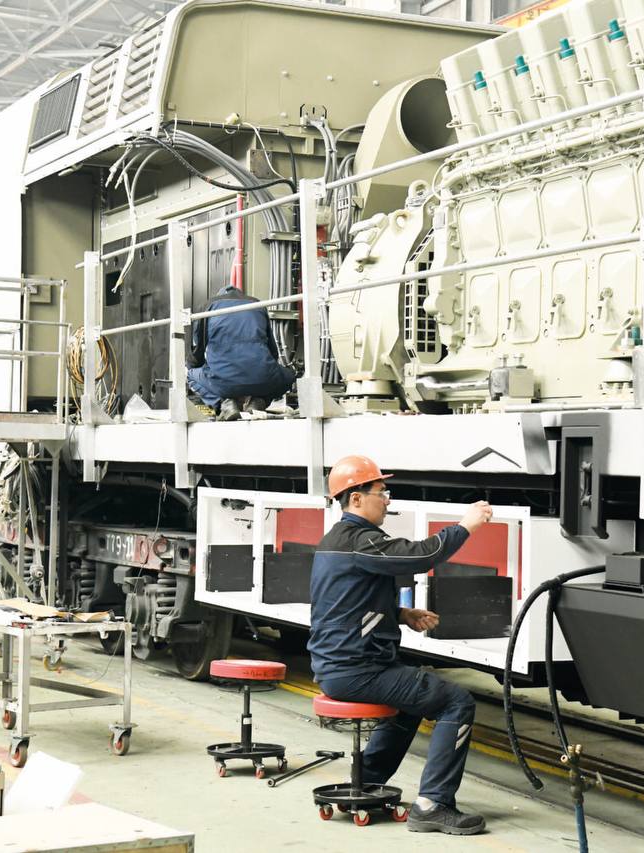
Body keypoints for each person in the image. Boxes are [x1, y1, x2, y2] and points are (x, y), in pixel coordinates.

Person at [309, 454, 494, 836]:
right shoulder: (361, 541)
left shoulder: (334, 542)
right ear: (356, 498)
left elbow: (343, 603)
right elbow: (423, 554)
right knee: (457, 702)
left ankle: (367, 782)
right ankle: (433, 805)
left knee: (412, 705)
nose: (387, 500)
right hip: (357, 669)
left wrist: (399, 614)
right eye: (381, 492)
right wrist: (466, 526)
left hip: (338, 666)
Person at [185, 285, 295, 421]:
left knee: (190, 375)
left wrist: (191, 366)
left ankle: (224, 405)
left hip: (223, 381)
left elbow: (198, 350)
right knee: (289, 376)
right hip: (262, 377)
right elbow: (273, 352)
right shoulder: (257, 304)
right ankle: (258, 401)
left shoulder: (209, 306)